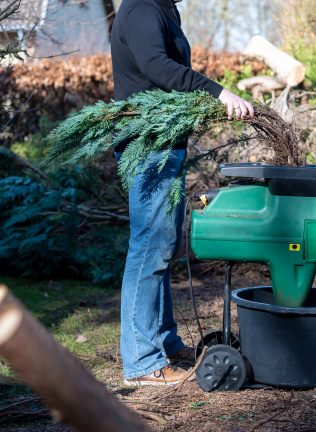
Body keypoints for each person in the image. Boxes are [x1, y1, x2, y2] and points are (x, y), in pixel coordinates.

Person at [110, 0, 253, 385]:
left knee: (163, 247)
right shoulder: (142, 7)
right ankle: (142, 362)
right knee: (148, 248)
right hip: (149, 144)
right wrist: (218, 93)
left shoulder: (162, 7)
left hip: (164, 143)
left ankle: (165, 343)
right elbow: (156, 66)